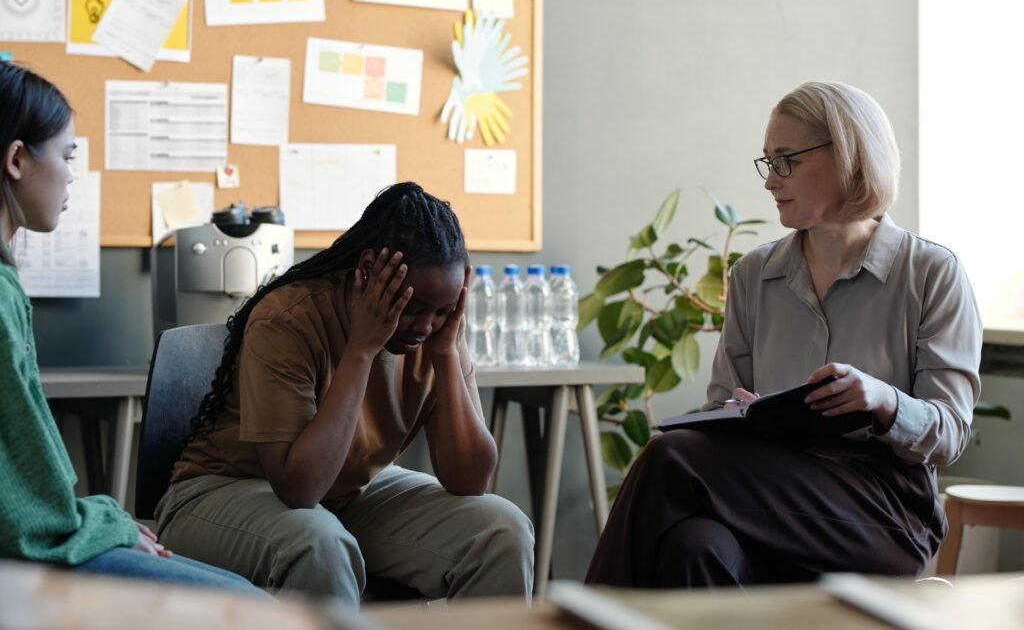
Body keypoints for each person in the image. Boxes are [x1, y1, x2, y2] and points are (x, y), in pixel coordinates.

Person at [586, 81, 982, 588]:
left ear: (848, 158)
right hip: (764, 493)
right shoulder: (753, 275)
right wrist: (740, 417)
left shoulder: (930, 272)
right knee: (695, 547)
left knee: (668, 459)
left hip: (884, 512)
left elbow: (950, 432)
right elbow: (713, 414)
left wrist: (884, 400)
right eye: (767, 162)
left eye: (786, 160)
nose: (770, 181)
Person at [154, 182, 534, 606]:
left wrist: (446, 355)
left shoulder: (437, 333)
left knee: (502, 531)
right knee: (319, 545)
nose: (426, 325)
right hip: (220, 492)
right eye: (411, 307)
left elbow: (470, 479)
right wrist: (362, 349)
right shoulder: (289, 319)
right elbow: (299, 488)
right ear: (369, 270)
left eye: (443, 311)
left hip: (344, 496)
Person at [0, 62, 265, 596]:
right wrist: (107, 524)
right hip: (27, 557)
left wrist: (100, 518)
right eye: (67, 156)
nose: (72, 174)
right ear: (16, 159)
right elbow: (30, 517)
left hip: (48, 533)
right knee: (248, 602)